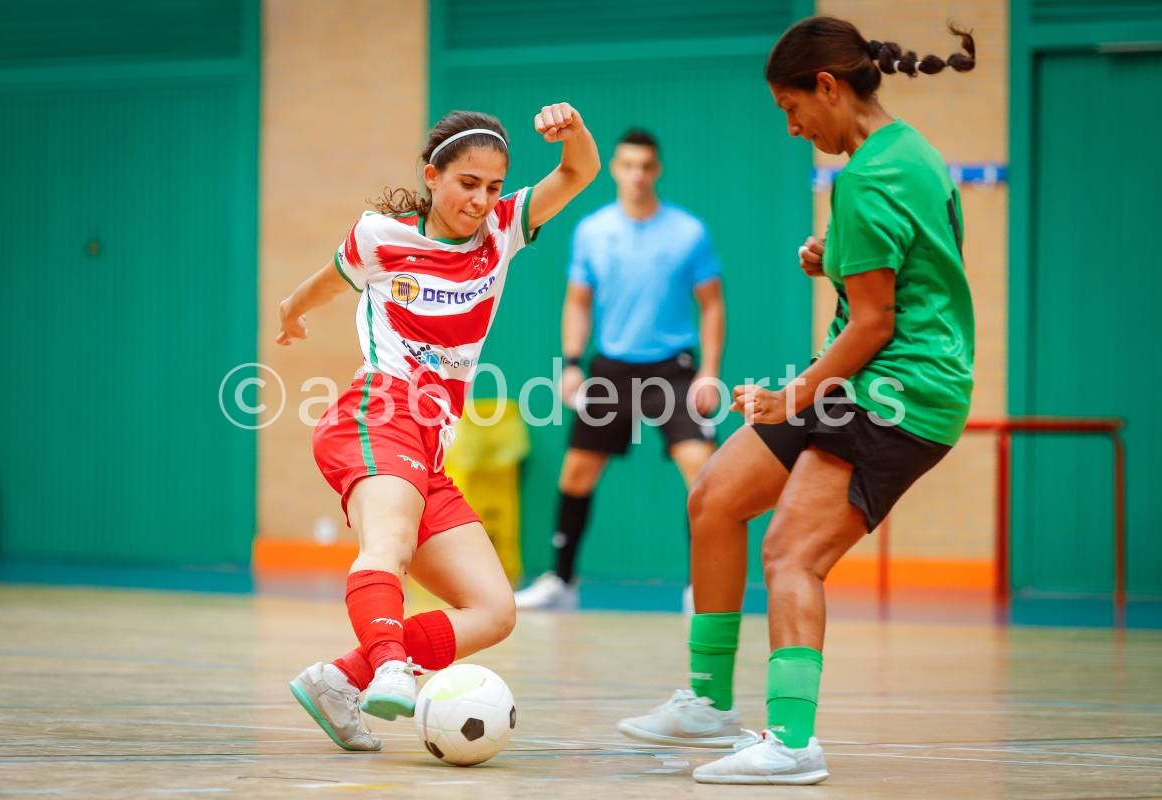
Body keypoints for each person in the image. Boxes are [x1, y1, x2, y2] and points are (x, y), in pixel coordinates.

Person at [617, 16, 976, 785]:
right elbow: (919, 273)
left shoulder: (871, 175)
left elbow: (878, 321)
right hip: (867, 377)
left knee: (790, 551)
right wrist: (835, 264)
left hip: (898, 392)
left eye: (792, 109)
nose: (791, 128)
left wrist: (792, 397)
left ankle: (792, 743)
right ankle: (709, 702)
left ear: (827, 85)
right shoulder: (908, 152)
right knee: (714, 496)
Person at [276, 103, 600, 751]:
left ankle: (341, 679)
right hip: (378, 411)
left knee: (494, 608)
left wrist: (575, 131)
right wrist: (291, 310)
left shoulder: (504, 230)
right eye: (466, 184)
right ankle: (393, 665)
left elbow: (580, 170)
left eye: (492, 187)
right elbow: (328, 281)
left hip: (429, 445)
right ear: (432, 176)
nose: (481, 200)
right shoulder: (379, 236)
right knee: (389, 545)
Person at [513, 128, 726, 612]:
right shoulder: (592, 230)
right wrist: (571, 364)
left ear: (657, 170)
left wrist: (709, 371)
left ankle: (703, 587)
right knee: (576, 475)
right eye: (628, 165)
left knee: (705, 475)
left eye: (646, 166)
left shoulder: (688, 232)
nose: (637, 175)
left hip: (673, 369)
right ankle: (561, 582)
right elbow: (577, 302)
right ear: (614, 168)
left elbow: (712, 306)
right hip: (610, 370)